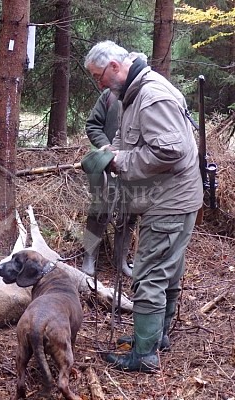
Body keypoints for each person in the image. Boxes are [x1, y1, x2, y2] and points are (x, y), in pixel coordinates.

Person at [84, 40, 203, 372]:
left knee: (149, 275)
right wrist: (110, 153)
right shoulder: (133, 94)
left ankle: (145, 354)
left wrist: (119, 160)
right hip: (164, 198)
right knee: (167, 268)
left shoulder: (151, 96)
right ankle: (155, 335)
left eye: (98, 76)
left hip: (169, 201)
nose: (99, 84)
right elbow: (134, 139)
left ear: (114, 67)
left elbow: (171, 152)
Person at [82, 52, 146, 278]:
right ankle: (89, 257)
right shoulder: (108, 97)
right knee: (98, 212)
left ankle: (120, 260)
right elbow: (92, 126)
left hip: (135, 167)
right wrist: (107, 148)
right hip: (107, 168)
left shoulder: (145, 96)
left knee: (129, 215)